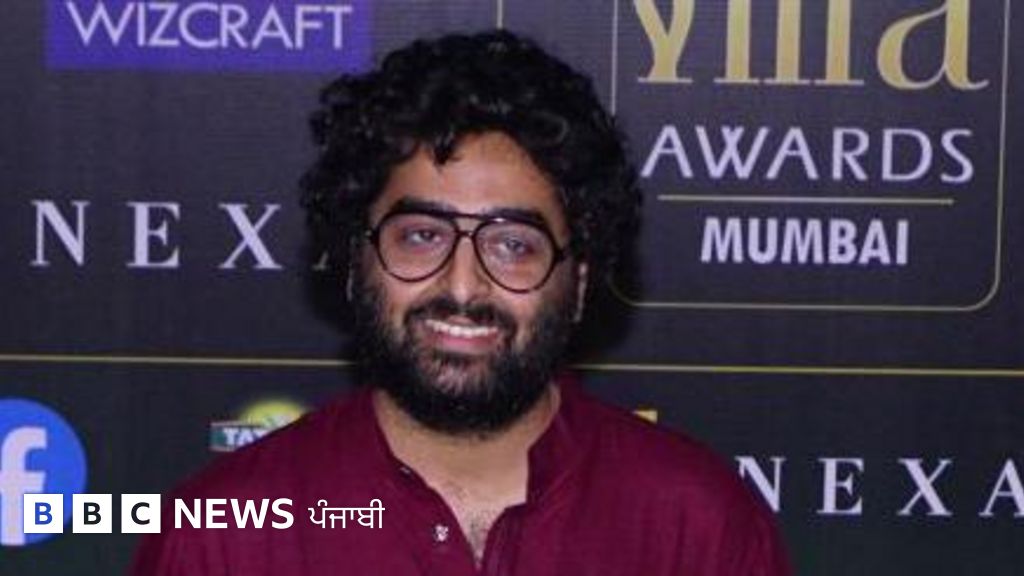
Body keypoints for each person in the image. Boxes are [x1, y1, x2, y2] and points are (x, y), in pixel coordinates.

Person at [132, 29, 789, 576]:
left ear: (581, 279)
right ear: (356, 259)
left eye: (513, 245)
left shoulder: (698, 528)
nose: (464, 286)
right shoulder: (224, 536)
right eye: (422, 236)